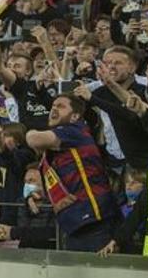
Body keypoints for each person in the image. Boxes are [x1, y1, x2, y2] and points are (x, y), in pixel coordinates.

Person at [25, 94, 118, 252]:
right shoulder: (59, 145)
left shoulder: (74, 131)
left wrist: (29, 132)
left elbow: (34, 139)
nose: (54, 108)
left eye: (61, 106)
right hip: (75, 222)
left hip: (94, 219)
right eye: (53, 105)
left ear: (75, 116)